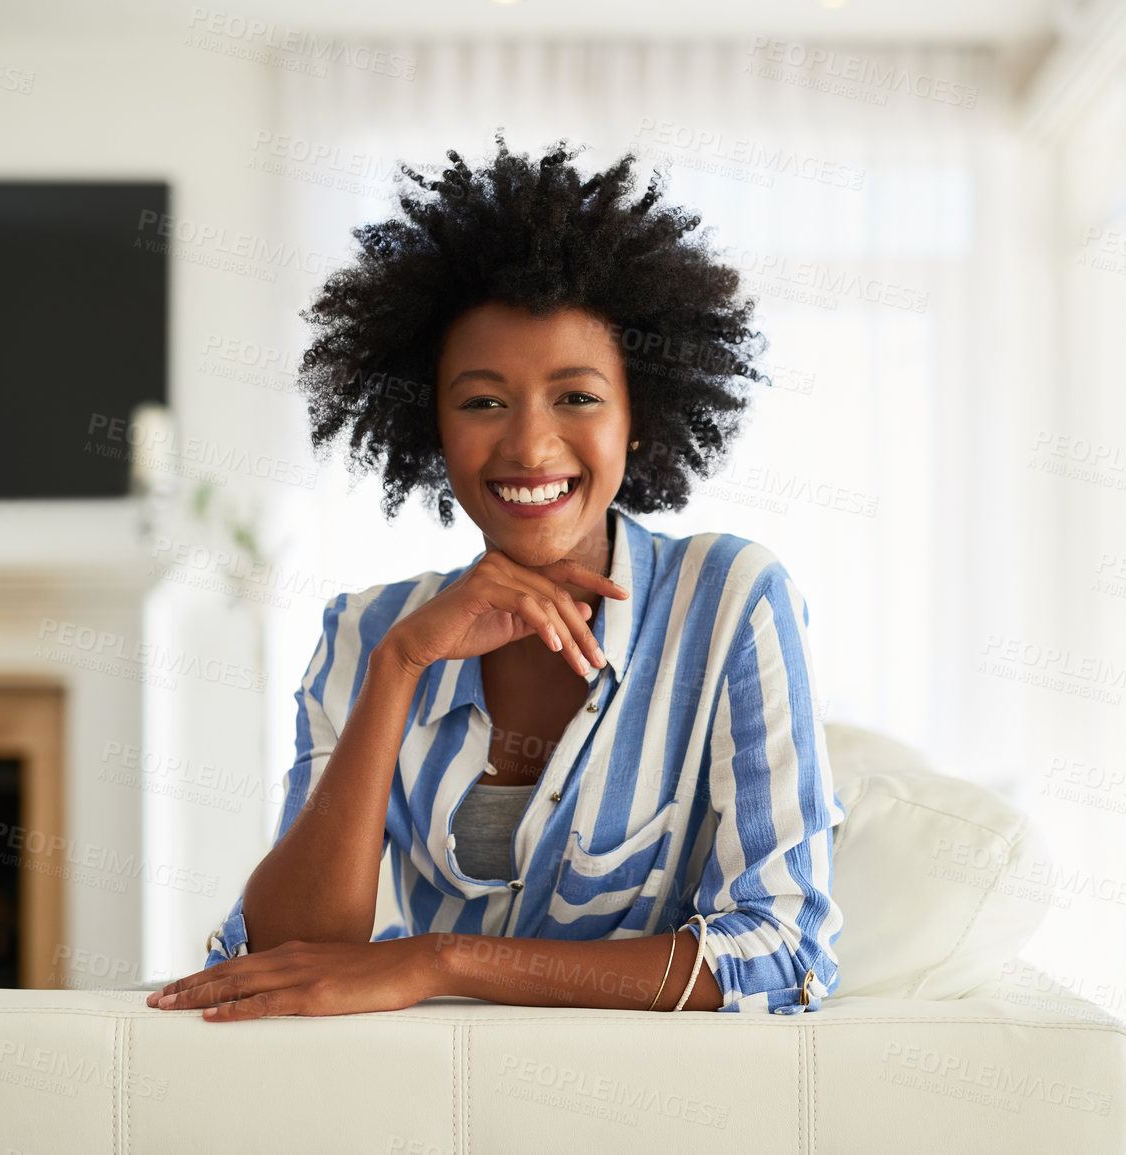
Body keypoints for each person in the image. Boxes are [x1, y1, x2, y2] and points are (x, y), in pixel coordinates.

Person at [148, 135, 844, 1020]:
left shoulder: (730, 600)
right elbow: (288, 955)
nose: (527, 445)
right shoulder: (369, 631)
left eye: (577, 396)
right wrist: (400, 665)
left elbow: (783, 956)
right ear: (430, 425)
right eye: (481, 401)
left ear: (639, 418)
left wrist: (444, 960)